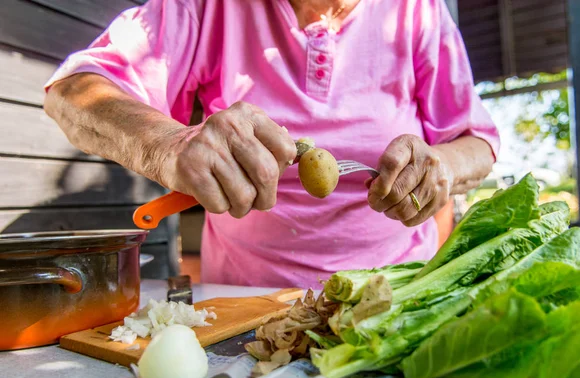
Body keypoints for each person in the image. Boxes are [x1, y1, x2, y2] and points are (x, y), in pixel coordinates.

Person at [44, 0, 499, 288]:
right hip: (248, 298)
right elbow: (72, 91)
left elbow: (477, 141)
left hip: (393, 290)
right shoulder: (211, 8)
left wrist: (439, 164)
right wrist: (169, 145)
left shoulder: (417, 11)